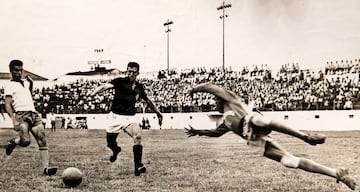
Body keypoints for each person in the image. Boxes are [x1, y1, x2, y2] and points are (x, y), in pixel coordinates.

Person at [185, 83, 358, 191]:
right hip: (254, 139)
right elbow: (215, 134)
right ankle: (337, 173)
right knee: (290, 161)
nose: (215, 101)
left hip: (252, 120)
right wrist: (198, 132)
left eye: (216, 100)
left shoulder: (231, 100)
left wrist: (195, 89)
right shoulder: (225, 121)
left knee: (261, 120)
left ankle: (306, 137)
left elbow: (211, 87)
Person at [88, 61, 163, 176]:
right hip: (115, 117)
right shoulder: (120, 81)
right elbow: (105, 86)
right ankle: (116, 150)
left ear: (138, 73)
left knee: (137, 136)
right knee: (111, 143)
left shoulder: (139, 87)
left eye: (133, 72)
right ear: (127, 71)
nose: (131, 74)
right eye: (129, 71)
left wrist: (158, 113)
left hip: (129, 118)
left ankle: (138, 166)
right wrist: (93, 93)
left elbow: (147, 101)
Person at [4, 59, 58, 176]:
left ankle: (46, 168)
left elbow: (28, 94)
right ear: (11, 71)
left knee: (42, 140)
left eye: (20, 70)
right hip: (21, 115)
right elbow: (7, 104)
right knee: (26, 142)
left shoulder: (26, 82)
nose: (19, 73)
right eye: (16, 71)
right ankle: (15, 142)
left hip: (33, 114)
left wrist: (32, 84)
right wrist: (13, 119)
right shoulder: (9, 85)